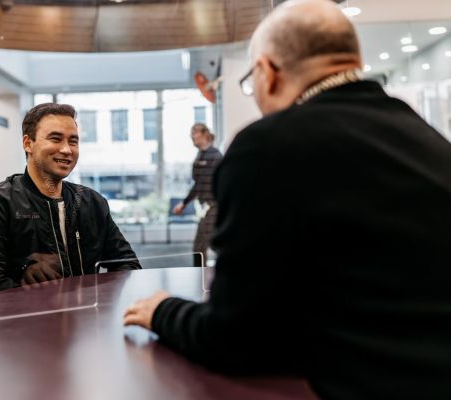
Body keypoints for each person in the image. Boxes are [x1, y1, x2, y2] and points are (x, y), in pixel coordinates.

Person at [123, 1, 451, 399]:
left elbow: (237, 338)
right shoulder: (427, 139)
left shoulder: (267, 146)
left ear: (268, 72)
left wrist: (163, 311)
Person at [0, 103, 140, 297]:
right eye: (55, 139)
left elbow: (127, 264)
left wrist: (99, 300)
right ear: (27, 143)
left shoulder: (91, 202)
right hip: (29, 324)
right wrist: (26, 273)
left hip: (87, 322)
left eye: (73, 141)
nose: (67, 149)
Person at [172, 123, 222, 266]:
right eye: (191, 133)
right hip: (205, 208)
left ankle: (204, 280)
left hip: (214, 207)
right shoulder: (200, 156)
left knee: (200, 248)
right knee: (208, 246)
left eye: (194, 132)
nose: (192, 136)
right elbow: (198, 184)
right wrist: (184, 203)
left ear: (205, 134)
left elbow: (222, 183)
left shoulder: (215, 156)